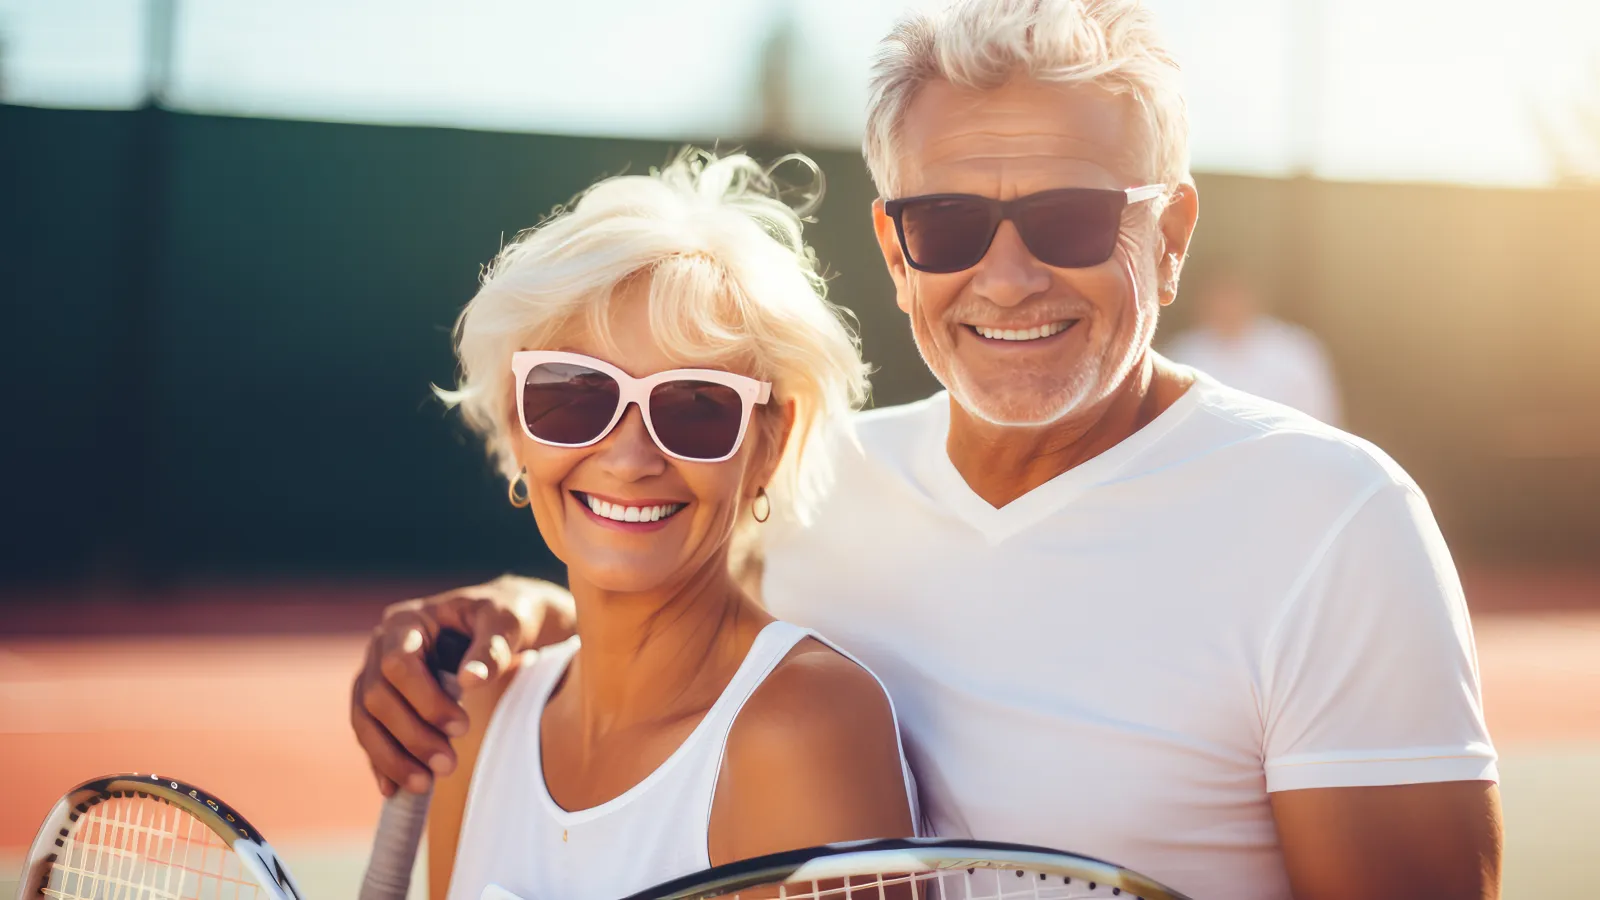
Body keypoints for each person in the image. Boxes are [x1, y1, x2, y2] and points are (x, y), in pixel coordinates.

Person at [351, 3, 1502, 899]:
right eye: (947, 223)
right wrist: (517, 607)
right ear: (894, 250)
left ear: (1173, 234)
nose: (1006, 277)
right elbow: (658, 596)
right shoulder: (811, 484)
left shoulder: (1335, 522)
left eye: (1071, 219)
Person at [396, 150, 918, 900]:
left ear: (769, 441)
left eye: (696, 406)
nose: (629, 457)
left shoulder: (802, 730)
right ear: (516, 422)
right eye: (575, 395)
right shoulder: (479, 715)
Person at [1163, 265, 1344, 424]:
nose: (1226, 306)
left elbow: (1321, 419)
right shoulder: (1182, 355)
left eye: (1232, 295)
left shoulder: (1294, 350)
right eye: (1219, 296)